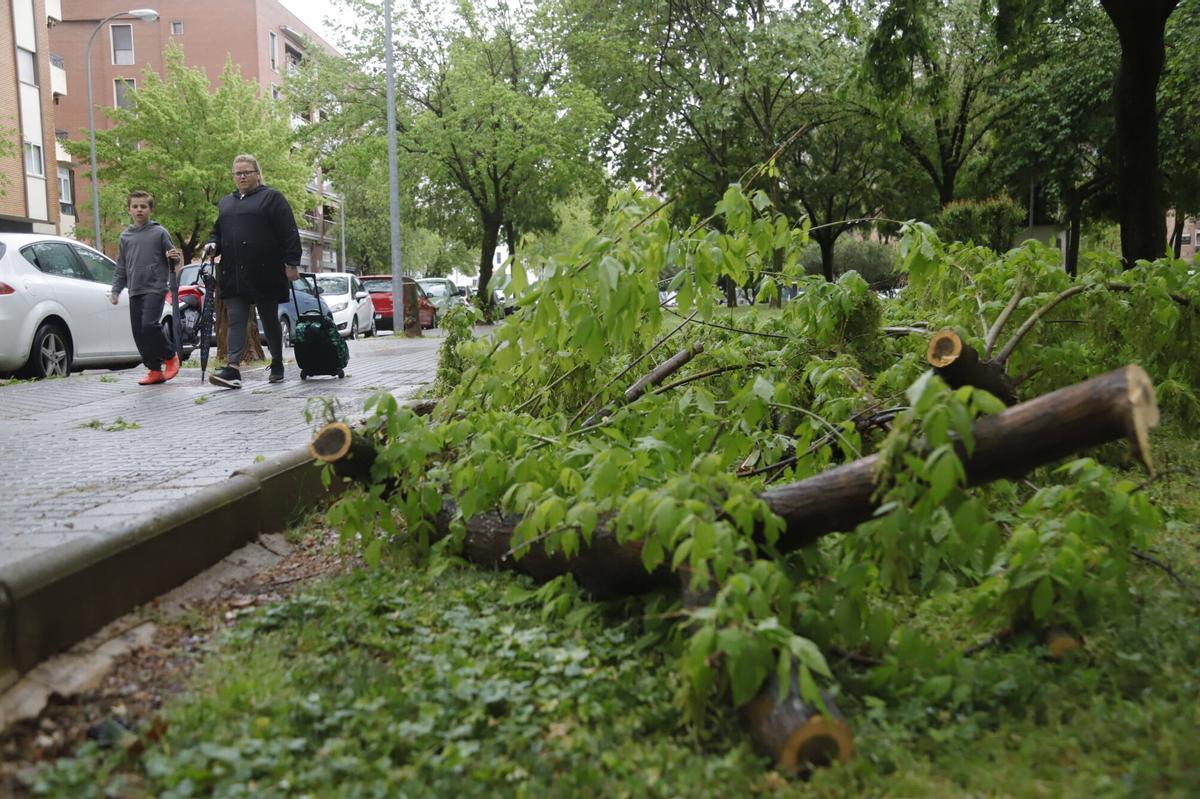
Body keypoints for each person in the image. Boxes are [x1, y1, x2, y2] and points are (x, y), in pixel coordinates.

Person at [203, 154, 301, 389]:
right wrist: (212, 243)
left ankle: (276, 363)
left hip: (265, 270)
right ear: (233, 176)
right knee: (235, 319)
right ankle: (233, 369)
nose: (242, 176)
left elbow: (289, 231)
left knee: (269, 319)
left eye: (247, 172)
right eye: (238, 173)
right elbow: (218, 231)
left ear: (257, 173)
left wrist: (291, 263)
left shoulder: (272, 198)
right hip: (234, 272)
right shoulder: (226, 202)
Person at [109, 190, 183, 385]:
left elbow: (174, 259)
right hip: (135, 289)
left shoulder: (159, 232)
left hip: (155, 287)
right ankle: (154, 370)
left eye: (143, 206)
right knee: (139, 332)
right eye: (135, 207)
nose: (139, 210)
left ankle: (170, 356)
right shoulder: (125, 236)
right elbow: (121, 266)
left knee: (149, 326)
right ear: (129, 210)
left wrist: (173, 258)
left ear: (150, 210)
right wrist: (116, 290)